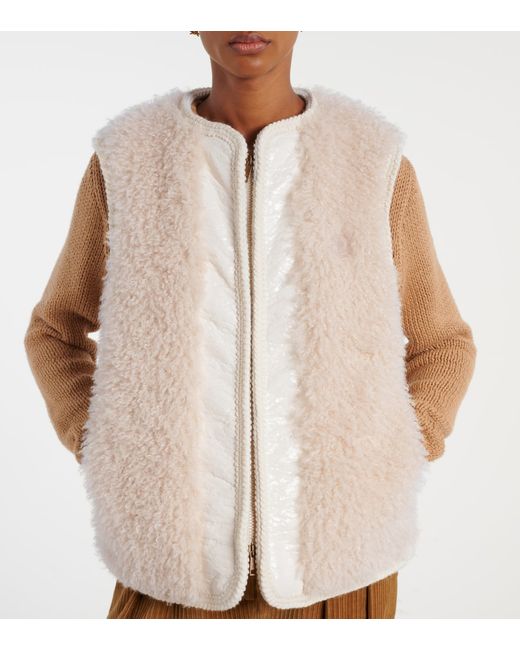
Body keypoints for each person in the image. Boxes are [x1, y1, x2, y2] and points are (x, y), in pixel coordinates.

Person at [24, 31, 477, 619]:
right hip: (170, 564)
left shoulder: (371, 161)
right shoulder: (128, 161)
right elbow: (55, 330)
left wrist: (399, 453)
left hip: (342, 568)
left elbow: (443, 343)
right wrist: (103, 442)